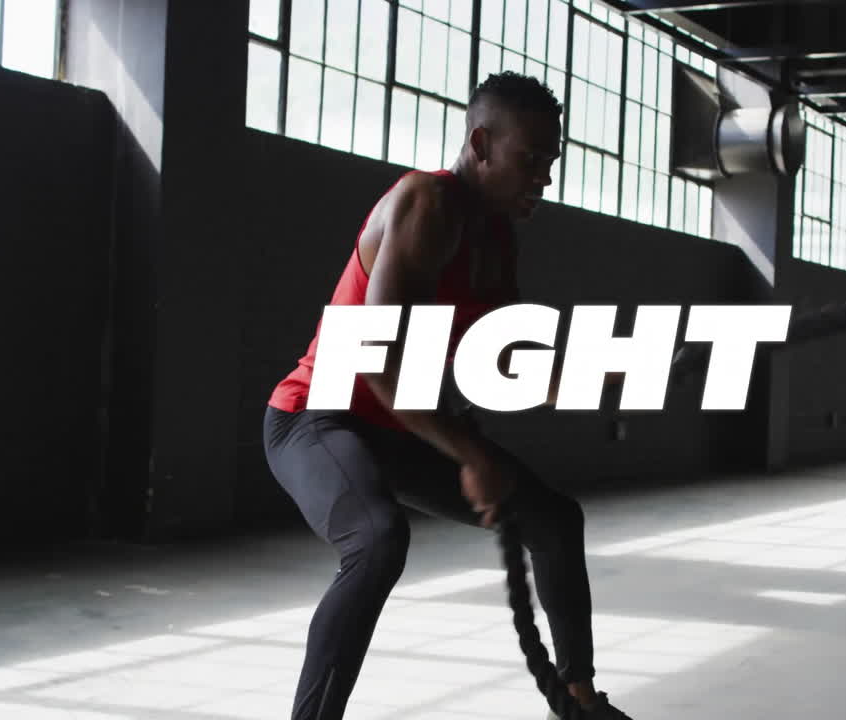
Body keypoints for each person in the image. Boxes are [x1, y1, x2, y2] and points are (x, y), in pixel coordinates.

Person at [262, 71, 635, 720]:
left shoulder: (496, 236)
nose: (544, 179)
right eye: (531, 160)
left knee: (554, 521)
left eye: (551, 163)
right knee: (377, 540)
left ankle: (577, 703)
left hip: (399, 429)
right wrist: (470, 454)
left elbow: (506, 364)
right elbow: (376, 362)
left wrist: (604, 372)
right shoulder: (425, 203)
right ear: (481, 144)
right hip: (317, 418)